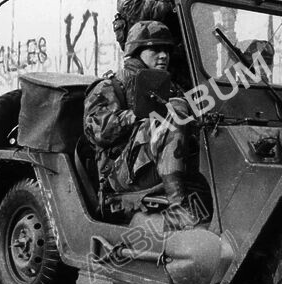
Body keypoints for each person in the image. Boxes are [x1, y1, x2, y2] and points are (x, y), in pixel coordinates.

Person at [83, 21, 201, 227]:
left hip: (152, 163)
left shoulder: (170, 87)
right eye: (155, 49)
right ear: (137, 51)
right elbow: (98, 132)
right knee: (173, 114)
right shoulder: (110, 86)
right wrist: (136, 115)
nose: (164, 55)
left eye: (166, 50)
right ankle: (177, 207)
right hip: (120, 174)